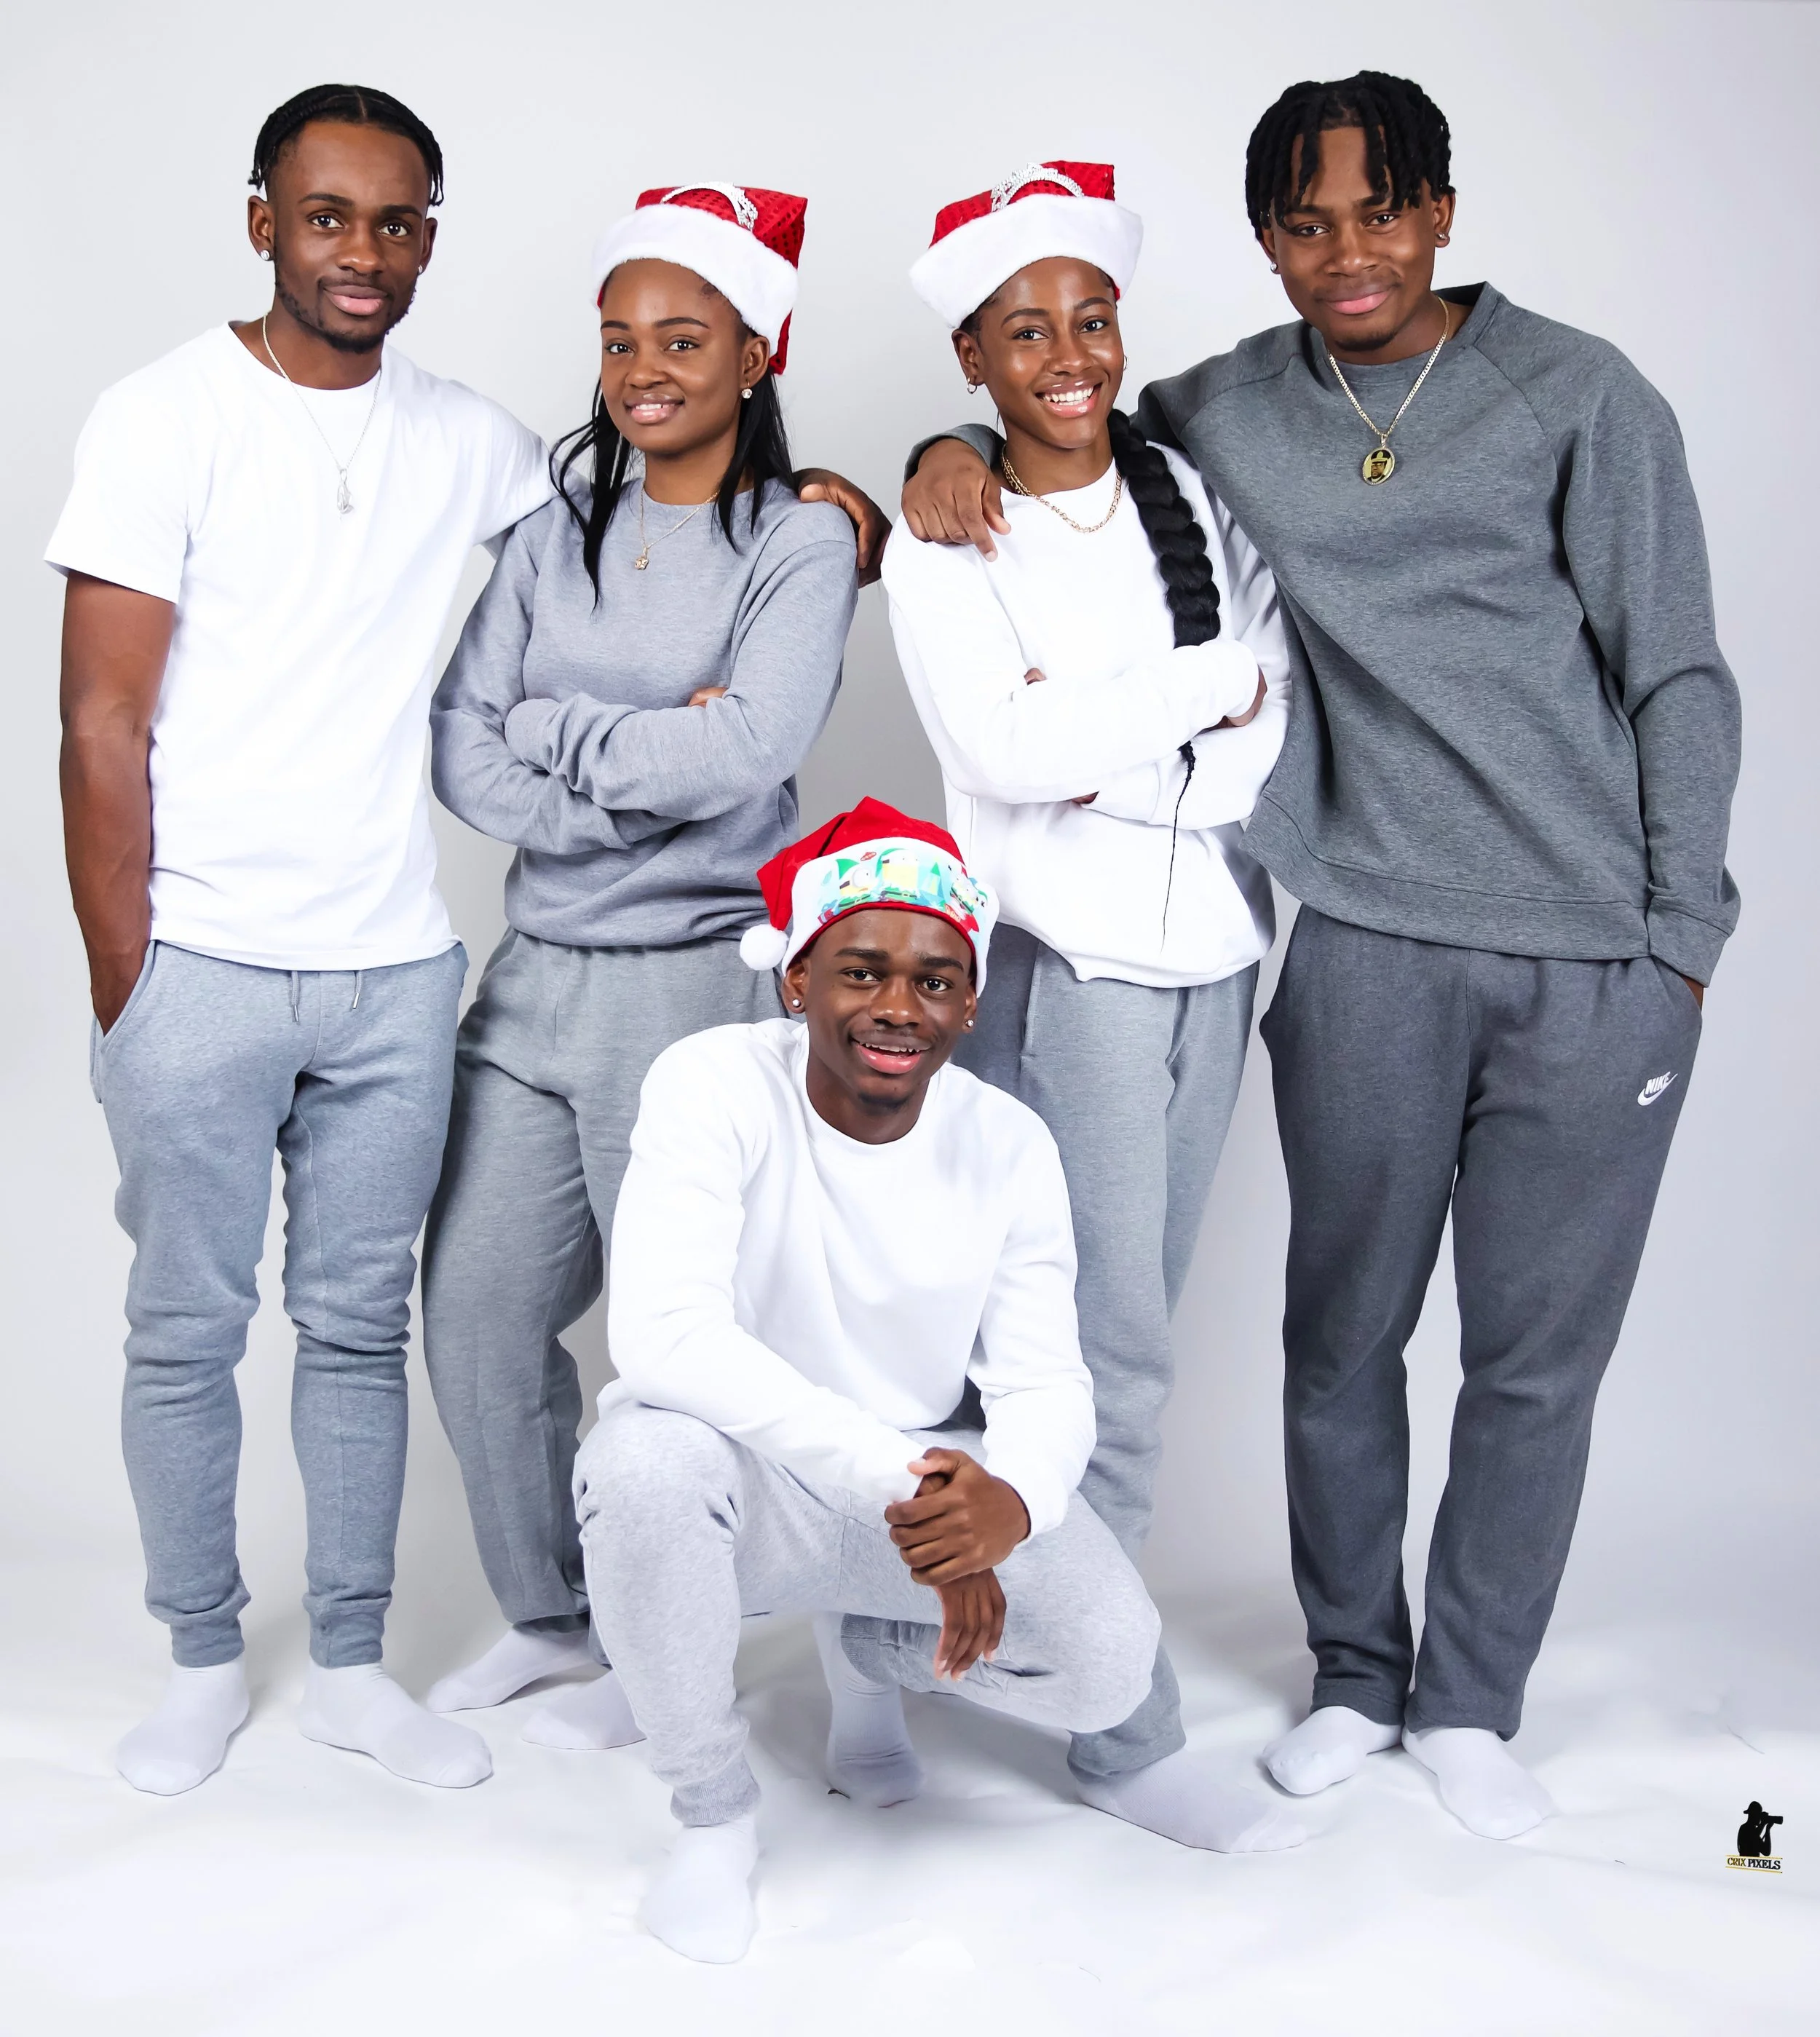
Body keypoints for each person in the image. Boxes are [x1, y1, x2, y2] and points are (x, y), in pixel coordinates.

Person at [901, 74, 1741, 1840]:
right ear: (1265, 242)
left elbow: (1673, 670)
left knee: (1530, 1358)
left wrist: (1680, 937)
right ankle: (1356, 1674)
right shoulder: (1220, 413)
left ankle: (1472, 1706)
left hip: (1592, 956)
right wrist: (938, 456)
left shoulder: (1578, 395)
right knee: (1338, 1340)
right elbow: (1072, 428)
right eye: (1303, 223)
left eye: (1378, 212)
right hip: (1358, 941)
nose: (1345, 254)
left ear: (1438, 207)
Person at [49, 84, 553, 1795]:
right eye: (327, 215)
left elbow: (658, 501)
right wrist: (135, 992)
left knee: (354, 1327)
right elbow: (100, 728)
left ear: (428, 240)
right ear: (261, 219)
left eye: (397, 221)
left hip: (394, 971)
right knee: (185, 1328)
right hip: (200, 961)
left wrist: (860, 495)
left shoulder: (472, 439)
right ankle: (200, 1653)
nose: (363, 250)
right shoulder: (160, 416)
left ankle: (347, 1661)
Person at [880, 162, 1299, 1854]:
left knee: (1123, 1328)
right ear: (972, 360)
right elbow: (1008, 755)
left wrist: (1126, 738)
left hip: (1213, 953)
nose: (1068, 354)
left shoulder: (1188, 494)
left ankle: (944, 1643)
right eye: (1025, 331)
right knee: (1087, 1351)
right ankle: (1119, 1728)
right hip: (1072, 977)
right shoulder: (945, 526)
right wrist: (1183, 707)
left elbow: (1263, 722)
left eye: (1092, 316)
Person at [419, 184, 859, 1751]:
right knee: (476, 1312)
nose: (641, 371)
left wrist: (563, 739)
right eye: (619, 342)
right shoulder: (550, 535)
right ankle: (555, 1624)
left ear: (756, 350)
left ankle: (661, 1657)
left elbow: (749, 751)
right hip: (533, 972)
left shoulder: (802, 538)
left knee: (670, 1346)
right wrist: (624, 766)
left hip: (689, 985)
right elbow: (462, 744)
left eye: (682, 338)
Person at [574, 799, 1163, 1961]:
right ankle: (711, 1811)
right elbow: (663, 1336)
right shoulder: (710, 1082)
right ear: (797, 980)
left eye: (937, 981)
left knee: (1110, 1665)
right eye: (863, 971)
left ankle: (872, 1653)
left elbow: (1048, 1382)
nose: (901, 1007)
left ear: (971, 1002)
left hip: (926, 1488)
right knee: (642, 1465)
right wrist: (915, 1482)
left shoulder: (1008, 1145)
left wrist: (1013, 1506)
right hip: (760, 1477)